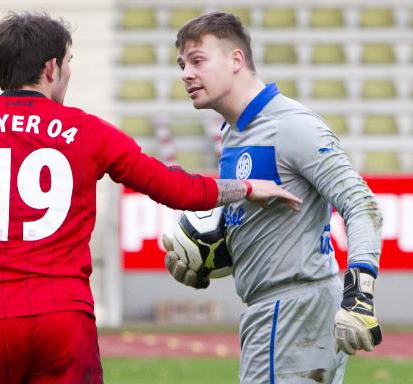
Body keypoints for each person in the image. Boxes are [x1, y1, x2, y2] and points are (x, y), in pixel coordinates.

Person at [0, 11, 302, 383]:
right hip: (66, 322)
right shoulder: (88, 132)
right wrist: (245, 187)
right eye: (69, 63)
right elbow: (175, 188)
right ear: (51, 67)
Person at [163, 11, 383, 384]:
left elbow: (362, 205)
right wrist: (211, 258)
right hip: (281, 309)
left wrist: (359, 295)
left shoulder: (291, 125)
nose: (186, 73)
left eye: (198, 60)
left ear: (236, 60)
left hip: (291, 310)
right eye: (182, 64)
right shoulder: (234, 133)